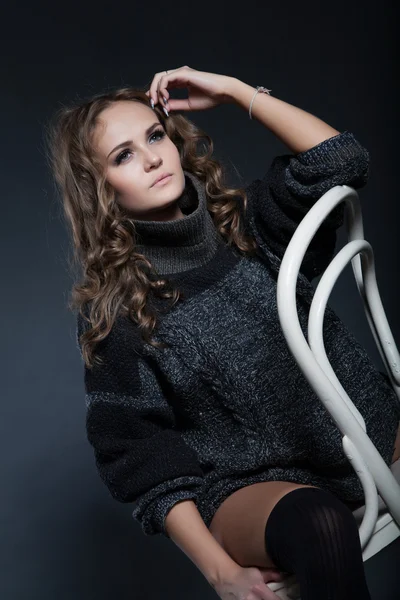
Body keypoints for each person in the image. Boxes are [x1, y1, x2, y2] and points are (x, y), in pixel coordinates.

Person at [46, 66, 400, 600]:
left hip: (361, 433)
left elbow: (342, 160)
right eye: (122, 156)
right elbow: (141, 456)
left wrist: (237, 93)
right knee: (320, 523)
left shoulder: (251, 222)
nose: (150, 157)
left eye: (154, 135)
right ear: (98, 190)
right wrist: (221, 573)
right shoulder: (116, 310)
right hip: (254, 485)